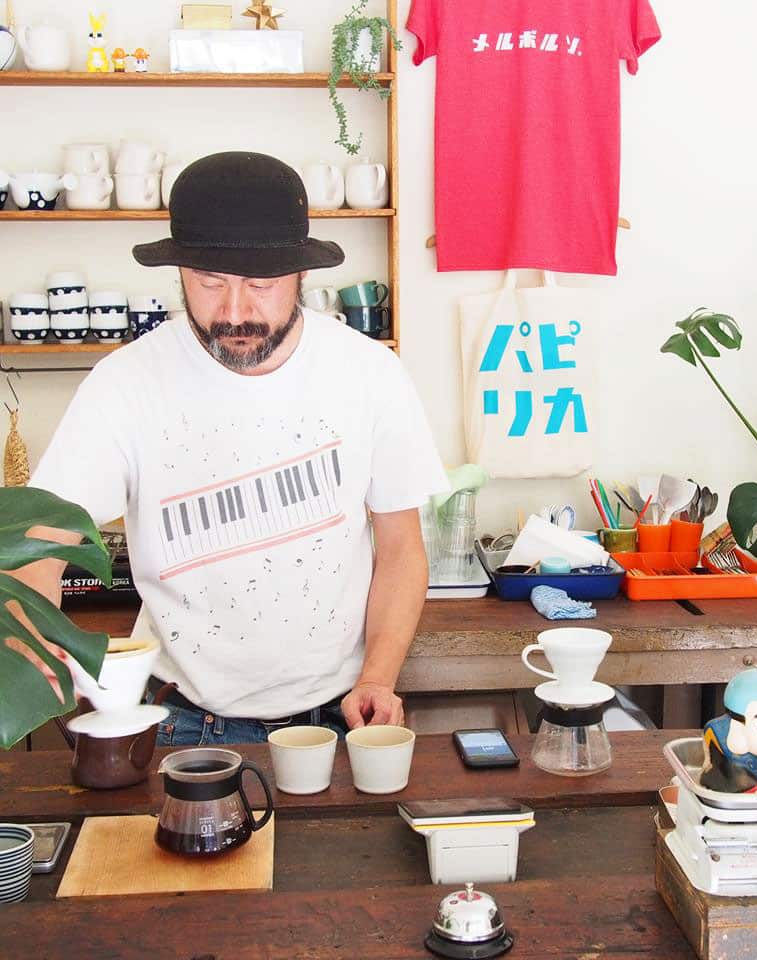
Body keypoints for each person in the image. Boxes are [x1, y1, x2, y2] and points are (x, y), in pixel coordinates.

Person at [16, 152, 448, 745]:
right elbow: (41, 542)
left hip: (339, 714)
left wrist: (378, 676)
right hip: (179, 718)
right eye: (210, 283)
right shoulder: (125, 384)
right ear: (180, 274)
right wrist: (29, 634)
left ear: (300, 276)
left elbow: (401, 549)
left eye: (261, 286)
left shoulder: (369, 373)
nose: (235, 313)